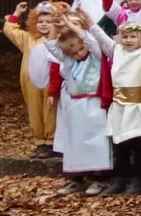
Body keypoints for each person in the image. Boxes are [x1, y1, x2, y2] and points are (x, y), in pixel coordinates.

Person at [42, 10, 113, 194]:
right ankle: (77, 178)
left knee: (96, 140)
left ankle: (98, 178)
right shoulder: (68, 59)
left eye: (81, 49)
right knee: (74, 141)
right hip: (74, 105)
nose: (79, 54)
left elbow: (90, 42)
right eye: (73, 53)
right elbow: (51, 45)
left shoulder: (97, 56)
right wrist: (56, 26)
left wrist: (74, 27)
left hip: (94, 103)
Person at [102, 6, 141, 196]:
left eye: (133, 37)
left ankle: (137, 180)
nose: (128, 40)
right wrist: (84, 23)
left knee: (140, 144)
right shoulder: (116, 51)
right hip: (119, 106)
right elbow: (98, 36)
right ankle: (119, 179)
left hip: (138, 106)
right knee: (120, 145)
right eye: (125, 37)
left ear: (140, 38)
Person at [4, 1, 59, 157]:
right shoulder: (28, 39)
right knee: (34, 110)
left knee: (51, 110)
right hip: (31, 83)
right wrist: (16, 13)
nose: (44, 25)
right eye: (40, 21)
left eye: (48, 22)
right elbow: (10, 30)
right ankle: (39, 141)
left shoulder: (58, 40)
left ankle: (51, 141)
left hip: (51, 83)